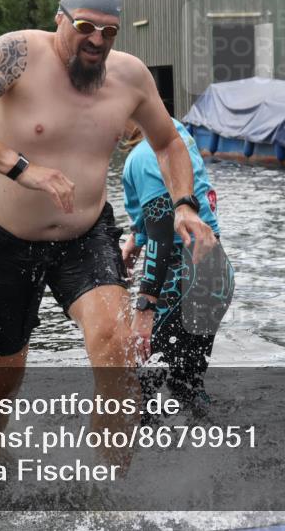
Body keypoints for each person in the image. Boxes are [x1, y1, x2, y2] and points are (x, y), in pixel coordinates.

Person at [0, 0, 216, 459]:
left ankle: (111, 500)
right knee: (1, 382)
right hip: (3, 236)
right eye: (85, 27)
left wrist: (184, 204)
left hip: (85, 236)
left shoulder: (130, 76)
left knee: (117, 350)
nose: (97, 41)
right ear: (60, 19)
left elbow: (166, 142)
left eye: (109, 31)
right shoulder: (16, 53)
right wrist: (22, 168)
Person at [120, 120, 234, 415]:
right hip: (215, 272)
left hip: (181, 277)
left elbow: (161, 233)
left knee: (137, 388)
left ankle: (143, 458)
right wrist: (136, 238)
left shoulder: (143, 156)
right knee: (187, 387)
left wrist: (144, 308)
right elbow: (167, 208)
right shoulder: (177, 133)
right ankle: (216, 452)